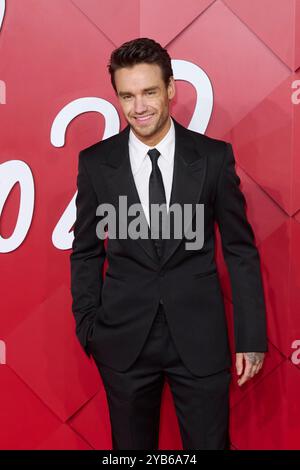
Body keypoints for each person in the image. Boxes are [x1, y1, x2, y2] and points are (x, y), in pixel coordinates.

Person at [70, 37, 268, 450]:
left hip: (200, 338)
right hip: (122, 343)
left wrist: (250, 336)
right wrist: (90, 327)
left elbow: (240, 249)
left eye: (148, 92)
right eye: (127, 95)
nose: (138, 106)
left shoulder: (213, 158)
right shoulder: (95, 163)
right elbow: (86, 251)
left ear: (171, 90)